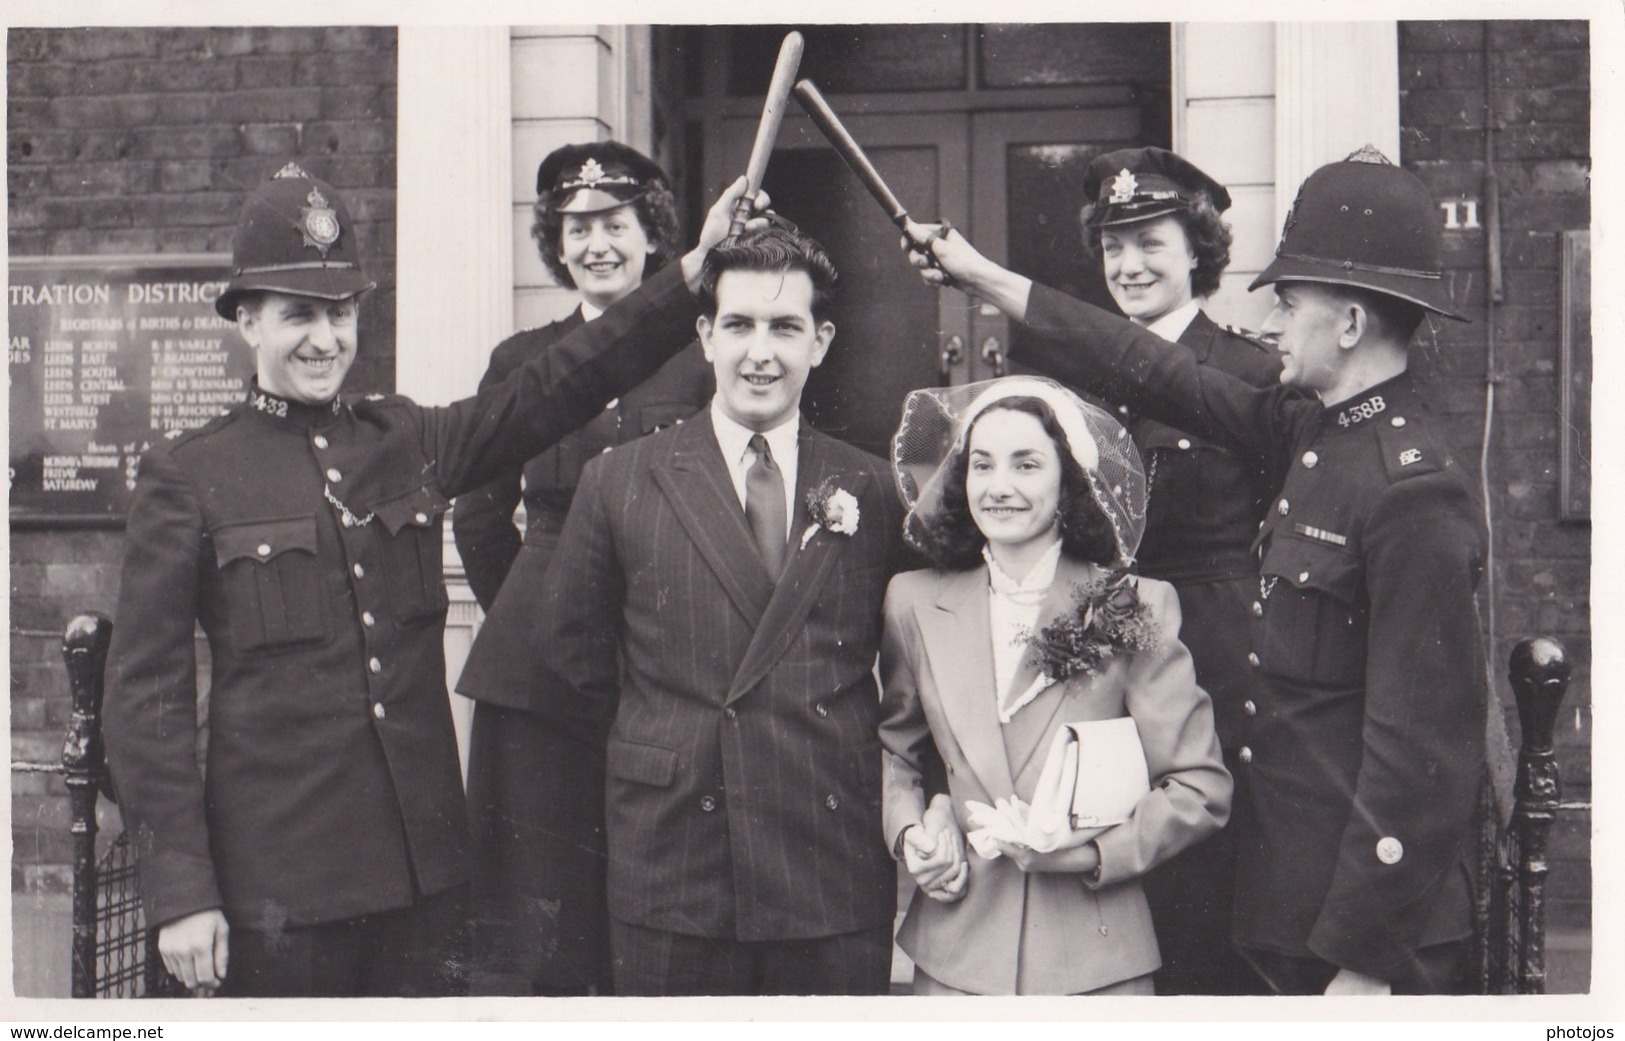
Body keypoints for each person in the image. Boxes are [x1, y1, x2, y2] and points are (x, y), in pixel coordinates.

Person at [101, 162, 759, 997]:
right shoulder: (190, 475)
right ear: (247, 321)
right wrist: (181, 892)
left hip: (425, 883)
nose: (324, 339)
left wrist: (692, 271)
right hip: (280, 893)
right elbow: (145, 699)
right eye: (297, 315)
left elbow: (557, 384)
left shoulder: (402, 437)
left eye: (340, 315)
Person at [904, 146, 1488, 995]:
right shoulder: (1315, 432)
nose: (1275, 325)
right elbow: (1155, 367)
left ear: (1350, 324)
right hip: (1289, 892)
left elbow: (1421, 750)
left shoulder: (1412, 491)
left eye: (1289, 305)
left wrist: (1367, 957)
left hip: (1359, 931)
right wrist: (985, 278)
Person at [525, 223, 904, 996]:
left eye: (785, 327)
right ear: (704, 335)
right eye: (738, 325)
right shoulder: (620, 480)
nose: (759, 352)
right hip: (675, 855)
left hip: (825, 852)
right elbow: (569, 661)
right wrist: (667, 743)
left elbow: (906, 667)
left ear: (820, 341)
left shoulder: (873, 487)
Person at [452, 142, 712, 996]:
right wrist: (535, 610)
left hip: (663, 653)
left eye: (616, 224)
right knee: (539, 904)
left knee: (652, 891)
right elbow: (479, 511)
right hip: (536, 673)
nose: (598, 243)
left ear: (651, 236)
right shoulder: (521, 358)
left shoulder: (698, 350)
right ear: (556, 244)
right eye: (579, 228)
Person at [879, 375, 1232, 995]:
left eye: (1027, 464)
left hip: (1095, 963)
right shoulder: (913, 601)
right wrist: (916, 833)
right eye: (981, 464)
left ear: (1069, 483)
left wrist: (1090, 856)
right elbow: (898, 752)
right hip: (955, 955)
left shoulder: (1134, 606)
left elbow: (1199, 788)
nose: (1000, 486)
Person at [1067, 146, 1277, 995]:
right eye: (1113, 246)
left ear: (1197, 249)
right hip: (1097, 665)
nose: (1128, 265)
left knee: (1203, 901)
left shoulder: (1250, 373)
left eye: (1150, 241)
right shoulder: (1078, 375)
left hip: (1211, 664)